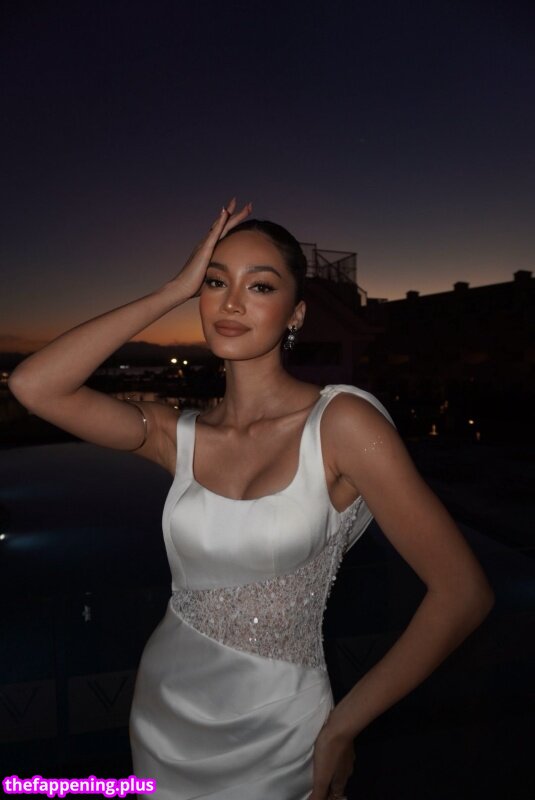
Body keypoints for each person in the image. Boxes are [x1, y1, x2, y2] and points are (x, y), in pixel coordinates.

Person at [8, 198, 495, 800]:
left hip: (281, 729)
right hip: (165, 715)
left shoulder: (340, 425)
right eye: (216, 283)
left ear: (296, 313)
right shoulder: (177, 434)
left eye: (259, 286)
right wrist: (172, 290)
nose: (231, 303)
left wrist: (344, 725)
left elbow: (463, 593)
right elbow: (35, 385)